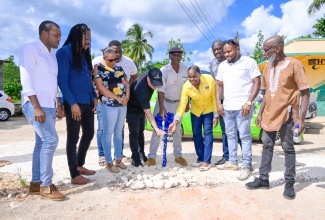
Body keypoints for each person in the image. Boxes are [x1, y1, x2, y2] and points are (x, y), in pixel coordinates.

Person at [246, 35, 310, 200]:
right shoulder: (267, 68)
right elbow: (266, 92)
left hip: (287, 114)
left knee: (288, 147)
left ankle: (289, 182)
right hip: (269, 114)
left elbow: (305, 93)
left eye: (266, 49)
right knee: (267, 146)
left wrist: (301, 119)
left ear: (277, 48)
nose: (264, 53)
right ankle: (263, 179)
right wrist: (260, 113)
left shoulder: (294, 65)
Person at [19, 20, 65, 200]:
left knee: (41, 143)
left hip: (49, 104)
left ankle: (36, 183)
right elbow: (26, 78)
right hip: (35, 103)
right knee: (51, 140)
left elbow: (52, 82)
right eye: (56, 35)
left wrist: (58, 103)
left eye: (60, 35)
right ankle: (46, 185)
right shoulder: (30, 48)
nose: (59, 39)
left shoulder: (51, 54)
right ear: (44, 34)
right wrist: (36, 106)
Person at [57, 23, 97, 185]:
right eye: (86, 38)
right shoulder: (64, 52)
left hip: (87, 101)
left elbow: (88, 80)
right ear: (76, 36)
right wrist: (72, 103)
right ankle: (74, 174)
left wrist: (94, 96)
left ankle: (80, 165)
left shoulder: (84, 54)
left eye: (90, 39)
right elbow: (62, 81)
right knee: (73, 138)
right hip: (74, 103)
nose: (88, 42)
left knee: (89, 133)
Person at [216, 39, 261, 181]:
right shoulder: (222, 66)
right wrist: (218, 103)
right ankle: (233, 162)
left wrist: (249, 102)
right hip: (228, 107)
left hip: (243, 108)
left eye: (229, 51)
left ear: (237, 49)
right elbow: (219, 85)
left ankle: (246, 165)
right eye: (225, 52)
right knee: (230, 135)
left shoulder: (249, 62)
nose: (226, 54)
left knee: (244, 136)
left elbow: (257, 82)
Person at [92, 40, 138, 165]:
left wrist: (127, 97)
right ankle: (107, 160)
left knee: (119, 132)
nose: (114, 61)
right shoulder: (98, 68)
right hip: (107, 105)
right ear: (105, 57)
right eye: (110, 60)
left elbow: (126, 82)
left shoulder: (120, 68)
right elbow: (100, 87)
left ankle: (118, 158)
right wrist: (117, 98)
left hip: (122, 105)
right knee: (106, 132)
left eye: (115, 58)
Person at [169, 65, 218, 171]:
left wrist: (215, 114)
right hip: (196, 111)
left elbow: (214, 97)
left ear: (199, 75)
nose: (192, 79)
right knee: (196, 134)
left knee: (208, 133)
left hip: (209, 110)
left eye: (194, 76)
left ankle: (207, 161)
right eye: (189, 77)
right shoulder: (186, 86)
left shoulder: (209, 80)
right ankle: (200, 158)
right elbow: (182, 105)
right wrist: (175, 121)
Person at [146, 47, 188, 166]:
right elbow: (160, 90)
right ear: (169, 56)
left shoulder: (185, 69)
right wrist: (162, 107)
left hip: (178, 103)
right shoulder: (164, 70)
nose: (176, 56)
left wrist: (186, 104)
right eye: (173, 54)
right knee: (157, 129)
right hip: (163, 102)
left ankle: (178, 156)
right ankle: (152, 157)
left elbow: (186, 88)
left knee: (177, 130)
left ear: (181, 56)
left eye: (178, 54)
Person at [127, 68, 164, 167]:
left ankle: (141, 153)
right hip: (132, 108)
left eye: (157, 83)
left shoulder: (153, 73)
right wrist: (156, 129)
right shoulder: (140, 88)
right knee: (134, 133)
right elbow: (148, 112)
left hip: (141, 106)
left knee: (141, 131)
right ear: (148, 78)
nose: (156, 87)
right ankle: (135, 158)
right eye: (154, 84)